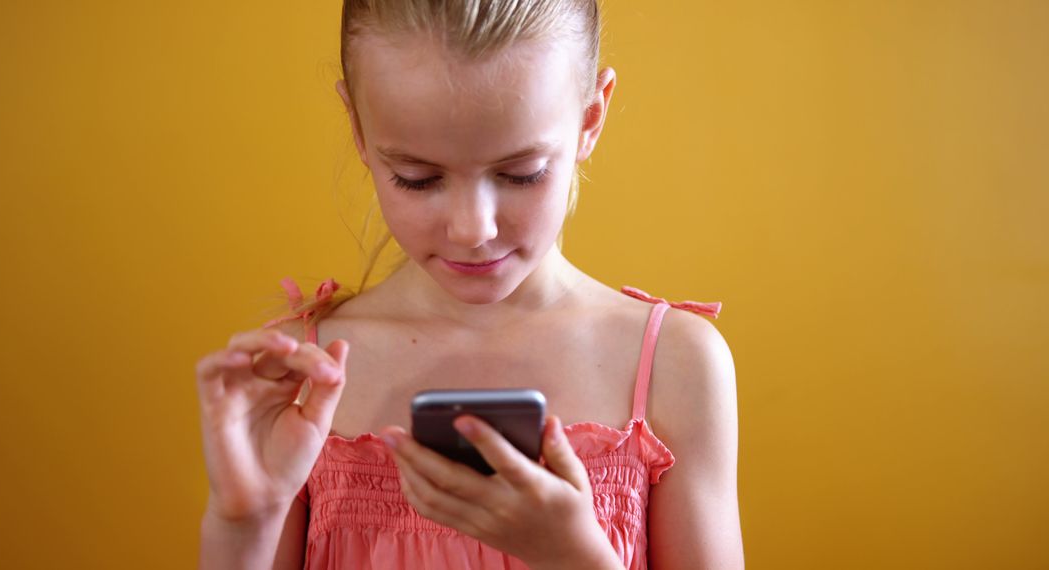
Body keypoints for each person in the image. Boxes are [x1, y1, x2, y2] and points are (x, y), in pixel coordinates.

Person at [195, 1, 744, 568]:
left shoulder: (674, 367)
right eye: (418, 178)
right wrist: (243, 524)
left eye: (520, 173)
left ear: (590, 120)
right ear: (358, 130)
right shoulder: (297, 374)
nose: (472, 229)